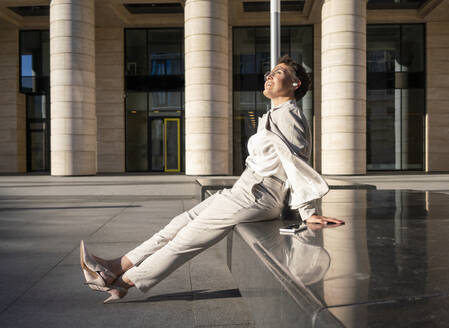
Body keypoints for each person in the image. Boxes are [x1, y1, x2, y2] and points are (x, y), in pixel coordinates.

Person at [80, 55, 344, 303]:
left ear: (295, 83)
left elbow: (297, 163)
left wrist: (308, 211)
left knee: (187, 238)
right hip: (245, 190)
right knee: (178, 224)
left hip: (258, 194)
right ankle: (114, 267)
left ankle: (123, 282)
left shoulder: (290, 116)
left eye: (279, 72)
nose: (269, 76)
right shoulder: (276, 114)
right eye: (269, 72)